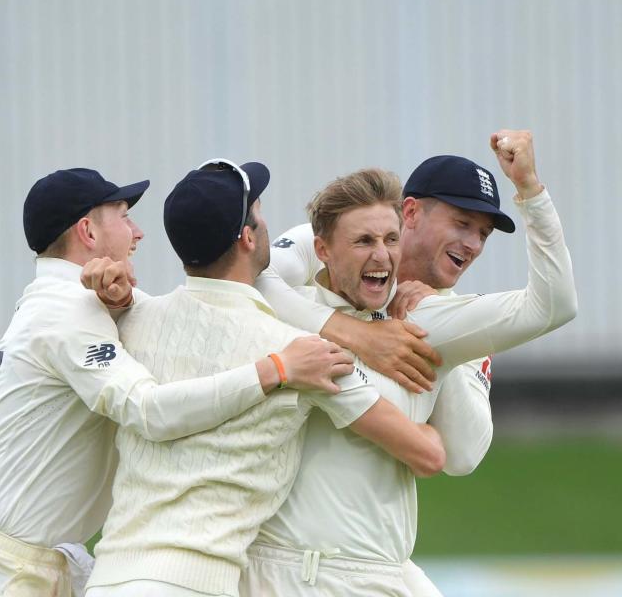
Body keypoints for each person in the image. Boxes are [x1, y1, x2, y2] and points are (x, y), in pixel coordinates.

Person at [0, 167, 359, 596]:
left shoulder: (60, 304)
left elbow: (188, 319)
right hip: (0, 572)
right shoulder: (69, 314)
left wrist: (123, 301)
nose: (137, 233)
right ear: (88, 232)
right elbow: (149, 411)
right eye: (122, 216)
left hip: (13, 560)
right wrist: (275, 370)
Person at [84, 159, 450, 597]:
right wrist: (434, 421)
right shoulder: (299, 353)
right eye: (258, 212)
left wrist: (112, 295)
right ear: (248, 236)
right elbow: (427, 456)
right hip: (198, 584)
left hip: (110, 577)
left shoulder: (131, 318)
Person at [242, 130, 578, 595]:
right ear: (412, 212)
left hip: (374, 565)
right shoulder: (327, 249)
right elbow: (253, 280)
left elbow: (461, 455)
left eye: (482, 233)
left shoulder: (442, 320)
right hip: (302, 568)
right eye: (462, 223)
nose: (474, 244)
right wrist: (356, 332)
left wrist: (531, 192)